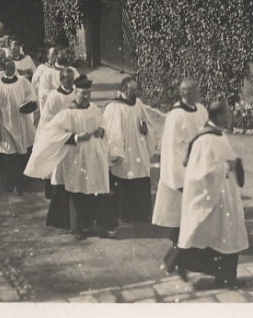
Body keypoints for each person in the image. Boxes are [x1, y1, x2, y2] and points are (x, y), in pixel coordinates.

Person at [24, 74, 118, 240]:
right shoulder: (68, 113)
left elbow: (102, 123)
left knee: (94, 189)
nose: (87, 96)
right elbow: (50, 132)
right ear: (75, 93)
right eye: (83, 93)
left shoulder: (94, 109)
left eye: (89, 93)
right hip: (76, 157)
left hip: (93, 156)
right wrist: (75, 137)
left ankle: (95, 224)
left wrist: (101, 131)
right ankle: (77, 227)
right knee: (77, 191)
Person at [169, 101, 248, 289]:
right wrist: (226, 167)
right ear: (219, 116)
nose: (231, 116)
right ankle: (181, 261)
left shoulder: (218, 134)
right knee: (220, 236)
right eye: (228, 113)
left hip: (225, 193)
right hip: (215, 196)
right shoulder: (205, 139)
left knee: (227, 236)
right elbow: (198, 172)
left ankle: (227, 277)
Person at [152, 79, 208, 246]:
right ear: (186, 94)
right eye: (197, 91)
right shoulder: (175, 116)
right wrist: (177, 178)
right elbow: (169, 149)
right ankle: (179, 242)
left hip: (200, 163)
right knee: (180, 210)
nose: (200, 94)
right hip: (181, 167)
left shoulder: (201, 110)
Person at [104, 77, 155, 222]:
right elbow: (111, 131)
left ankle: (142, 213)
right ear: (124, 90)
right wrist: (116, 152)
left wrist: (145, 129)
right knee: (124, 178)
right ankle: (124, 214)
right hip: (124, 149)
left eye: (137, 89)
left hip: (138, 147)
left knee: (141, 175)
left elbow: (147, 122)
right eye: (133, 90)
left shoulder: (138, 103)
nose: (136, 93)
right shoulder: (114, 107)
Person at [0, 59, 38, 195]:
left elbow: (31, 96)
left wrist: (29, 105)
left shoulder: (22, 82)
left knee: (23, 152)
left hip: (22, 122)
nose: (10, 68)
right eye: (8, 67)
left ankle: (22, 180)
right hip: (5, 124)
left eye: (12, 66)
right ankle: (13, 183)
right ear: (4, 68)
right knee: (10, 155)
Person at [37, 67, 77, 229]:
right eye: (68, 79)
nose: (71, 82)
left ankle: (75, 219)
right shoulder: (54, 97)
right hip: (60, 141)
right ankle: (60, 220)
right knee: (60, 179)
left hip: (74, 141)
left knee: (74, 179)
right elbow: (46, 120)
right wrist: (60, 131)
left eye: (72, 79)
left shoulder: (76, 93)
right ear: (61, 80)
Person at [37, 45, 80, 113]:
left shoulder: (72, 71)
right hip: (54, 106)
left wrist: (70, 91)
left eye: (65, 55)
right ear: (55, 56)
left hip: (70, 106)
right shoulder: (48, 73)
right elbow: (43, 92)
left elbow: (80, 86)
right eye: (62, 55)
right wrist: (60, 93)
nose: (65, 57)